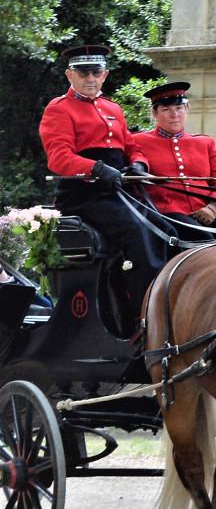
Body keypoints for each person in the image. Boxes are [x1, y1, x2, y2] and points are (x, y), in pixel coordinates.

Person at [38, 45, 169, 317]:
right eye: (83, 72)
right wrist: (97, 168)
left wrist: (138, 165)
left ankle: (170, 296)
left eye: (95, 72)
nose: (90, 78)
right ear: (69, 75)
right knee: (137, 230)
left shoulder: (112, 108)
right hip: (84, 195)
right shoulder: (59, 108)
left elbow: (131, 146)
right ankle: (145, 312)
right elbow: (59, 158)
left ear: (105, 75)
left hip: (120, 190)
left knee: (165, 228)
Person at [133, 81, 216, 241]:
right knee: (203, 240)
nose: (174, 114)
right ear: (155, 114)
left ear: (187, 109)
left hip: (206, 213)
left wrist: (213, 208)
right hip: (167, 214)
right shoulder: (138, 141)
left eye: (179, 108)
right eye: (166, 109)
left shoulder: (205, 143)